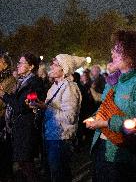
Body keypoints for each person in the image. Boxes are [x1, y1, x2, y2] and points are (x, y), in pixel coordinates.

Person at [84, 30, 136, 182]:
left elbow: (133, 123)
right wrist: (95, 118)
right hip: (101, 147)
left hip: (121, 155)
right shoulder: (116, 80)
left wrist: (106, 123)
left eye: (118, 50)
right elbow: (104, 106)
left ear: (131, 54)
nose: (112, 53)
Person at [31, 54, 86, 182]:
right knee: (52, 174)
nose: (51, 66)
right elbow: (52, 110)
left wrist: (46, 107)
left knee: (59, 175)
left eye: (55, 64)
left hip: (61, 138)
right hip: (50, 135)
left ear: (64, 69)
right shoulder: (55, 86)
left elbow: (70, 117)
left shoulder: (70, 87)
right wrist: (37, 106)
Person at [0, 52, 45, 182]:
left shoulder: (34, 82)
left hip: (26, 128)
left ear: (31, 66)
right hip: (19, 127)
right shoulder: (22, 81)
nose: (18, 65)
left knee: (26, 164)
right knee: (22, 163)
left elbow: (22, 106)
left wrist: (3, 95)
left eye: (21, 63)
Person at [0, 53, 15, 182]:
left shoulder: (9, 80)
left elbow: (5, 101)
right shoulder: (2, 78)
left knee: (5, 149)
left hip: (4, 119)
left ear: (4, 64)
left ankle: (8, 174)